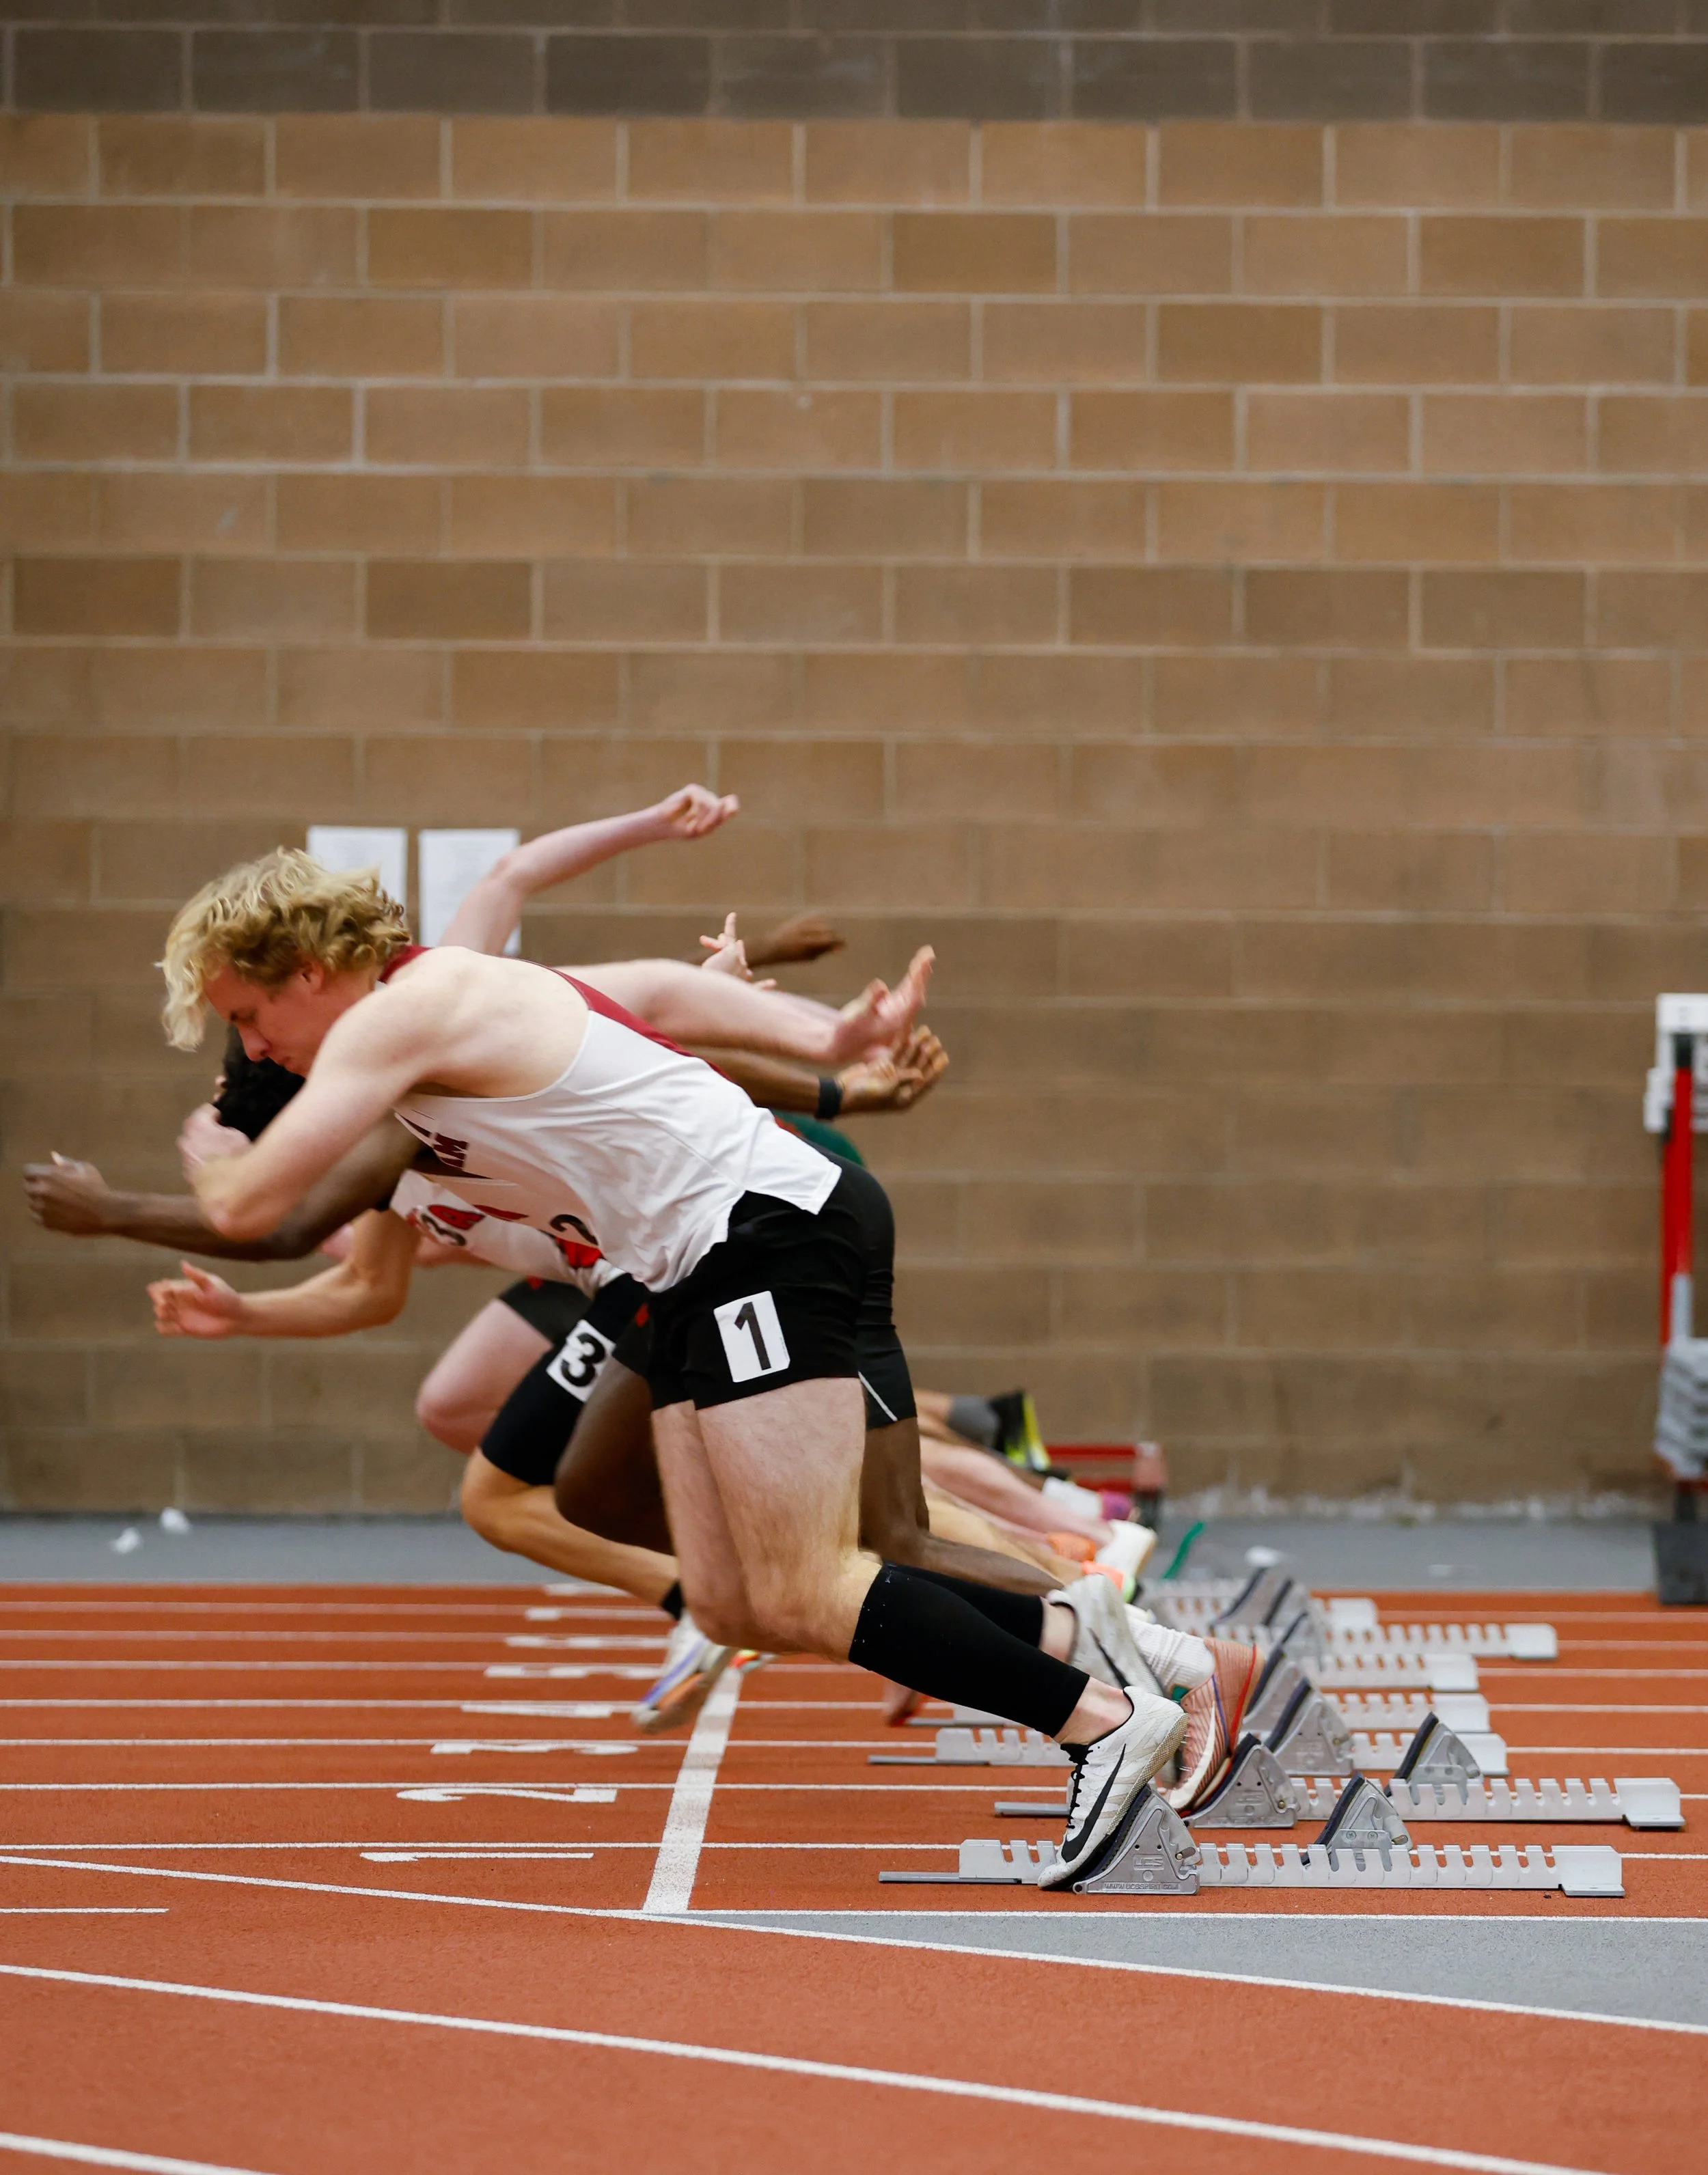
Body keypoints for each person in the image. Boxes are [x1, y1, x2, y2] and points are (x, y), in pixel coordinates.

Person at [154, 848, 1200, 1887]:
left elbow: (249, 1207)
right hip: (684, 1267)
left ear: (304, 968)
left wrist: (168, 1185)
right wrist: (822, 1033)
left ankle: (1103, 1723)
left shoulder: (397, 1016)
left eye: (247, 1016)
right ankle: (1112, 1647)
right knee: (735, 1601)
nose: (253, 1046)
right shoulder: (430, 1010)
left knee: (819, 1572)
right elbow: (648, 991)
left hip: (760, 1231)